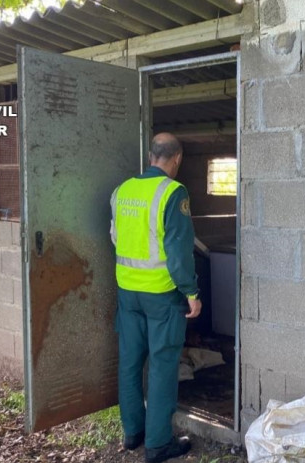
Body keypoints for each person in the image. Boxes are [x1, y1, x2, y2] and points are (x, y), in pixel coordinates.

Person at [110, 132, 202, 463]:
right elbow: (179, 253)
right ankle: (158, 444)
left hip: (127, 292)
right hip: (161, 296)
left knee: (130, 364)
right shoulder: (173, 192)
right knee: (163, 366)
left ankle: (133, 433)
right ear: (176, 159)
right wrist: (191, 292)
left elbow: (115, 237)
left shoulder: (122, 191)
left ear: (151, 156)